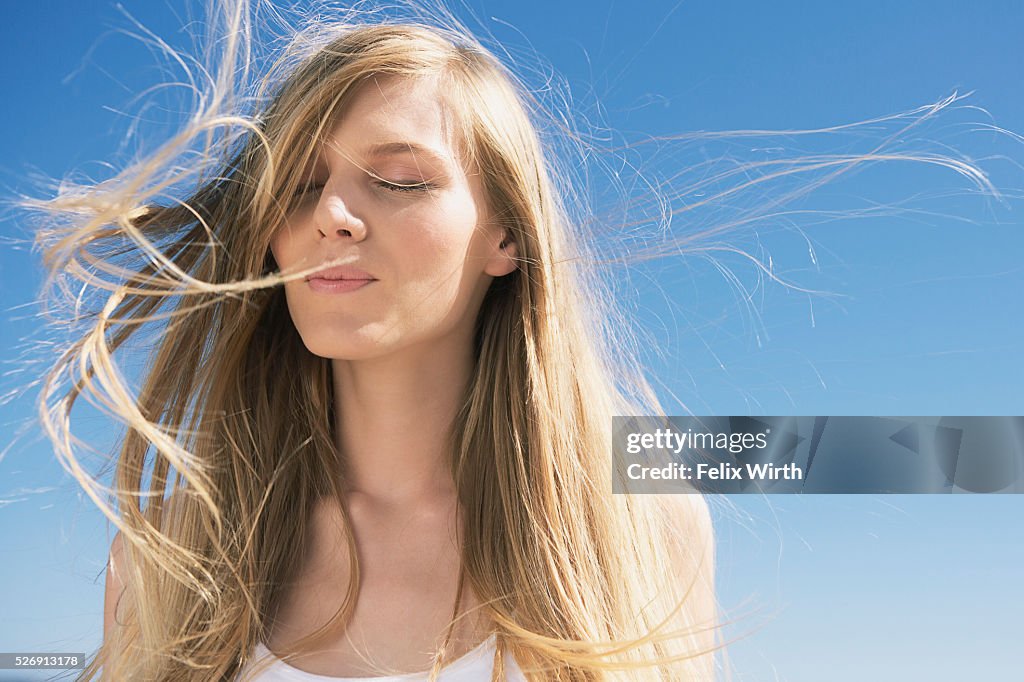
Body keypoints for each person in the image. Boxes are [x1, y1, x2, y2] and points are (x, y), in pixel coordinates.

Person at [28, 4, 716, 680]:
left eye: (399, 180)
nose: (331, 214)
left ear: (504, 236)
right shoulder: (164, 563)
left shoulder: (639, 527)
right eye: (300, 184)